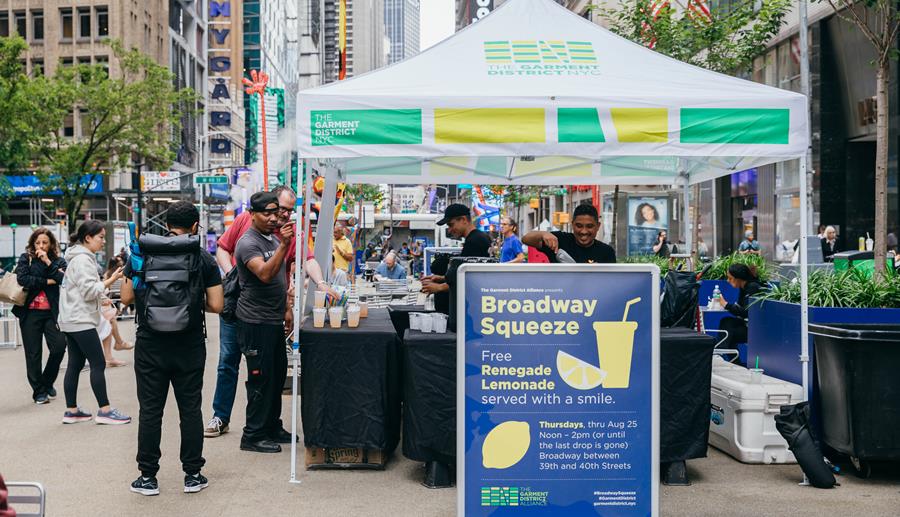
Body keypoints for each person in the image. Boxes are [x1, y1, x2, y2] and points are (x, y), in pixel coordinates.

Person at [205, 186, 327, 439]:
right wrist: (233, 276)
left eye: (287, 212)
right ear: (264, 209)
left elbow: (307, 259)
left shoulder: (283, 233)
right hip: (240, 306)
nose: (280, 216)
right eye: (277, 210)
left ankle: (270, 425)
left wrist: (318, 285)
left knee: (272, 371)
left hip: (270, 311)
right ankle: (222, 417)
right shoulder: (247, 225)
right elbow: (223, 249)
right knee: (230, 361)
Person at [118, 201, 223, 496]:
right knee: (190, 409)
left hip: (150, 344)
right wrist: (187, 305)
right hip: (188, 345)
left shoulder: (142, 255)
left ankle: (148, 478)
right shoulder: (202, 258)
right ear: (195, 226)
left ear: (166, 226)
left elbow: (126, 298)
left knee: (151, 411)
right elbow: (216, 304)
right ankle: (192, 475)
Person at [234, 192, 294, 453]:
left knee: (277, 375)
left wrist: (287, 308)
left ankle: (271, 425)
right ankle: (253, 434)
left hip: (273, 319)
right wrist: (284, 245)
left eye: (275, 212)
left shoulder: (271, 236)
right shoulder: (248, 243)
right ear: (252, 214)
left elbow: (282, 276)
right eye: (266, 214)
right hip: (255, 322)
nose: (273, 218)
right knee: (260, 378)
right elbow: (266, 274)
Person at [58, 220, 130, 425]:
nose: (103, 241)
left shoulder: (76, 258)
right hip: (81, 320)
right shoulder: (83, 260)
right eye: (100, 237)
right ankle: (105, 410)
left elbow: (83, 291)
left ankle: (71, 410)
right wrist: (109, 281)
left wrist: (102, 295)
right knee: (97, 362)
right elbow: (89, 290)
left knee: (75, 363)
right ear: (87, 238)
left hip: (70, 319)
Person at [12, 227, 68, 405]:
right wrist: (47, 281)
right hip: (30, 313)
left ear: (51, 243)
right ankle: (39, 392)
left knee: (59, 347)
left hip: (52, 313)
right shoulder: (25, 258)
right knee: (33, 353)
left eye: (45, 242)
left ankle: (46, 382)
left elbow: (63, 279)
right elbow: (23, 279)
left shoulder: (58, 261)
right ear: (32, 244)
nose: (41, 245)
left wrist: (46, 261)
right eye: (38, 242)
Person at [421, 203, 491, 299]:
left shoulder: (475, 241)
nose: (449, 230)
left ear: (463, 220)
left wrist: (439, 287)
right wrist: (442, 278)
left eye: (451, 225)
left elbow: (470, 280)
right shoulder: (477, 237)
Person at [523, 204, 616, 264]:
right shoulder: (559, 241)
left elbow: (611, 281)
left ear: (598, 226)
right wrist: (543, 234)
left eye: (589, 226)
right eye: (579, 226)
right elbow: (525, 239)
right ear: (572, 224)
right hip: (561, 294)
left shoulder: (606, 252)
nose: (584, 231)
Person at [717, 263, 764, 351]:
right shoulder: (743, 288)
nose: (728, 281)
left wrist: (726, 305)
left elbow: (747, 312)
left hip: (756, 329)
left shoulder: (753, 287)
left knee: (729, 333)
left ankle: (721, 351)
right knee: (726, 321)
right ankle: (723, 353)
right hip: (747, 325)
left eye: (730, 278)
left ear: (738, 278)